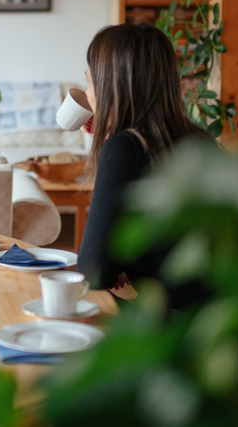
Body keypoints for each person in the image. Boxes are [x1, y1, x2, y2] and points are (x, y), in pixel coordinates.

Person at [76, 23, 212, 310]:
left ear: (112, 86)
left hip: (175, 332)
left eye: (90, 82)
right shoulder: (202, 142)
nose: (88, 95)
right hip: (225, 322)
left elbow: (92, 269)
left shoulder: (126, 148)